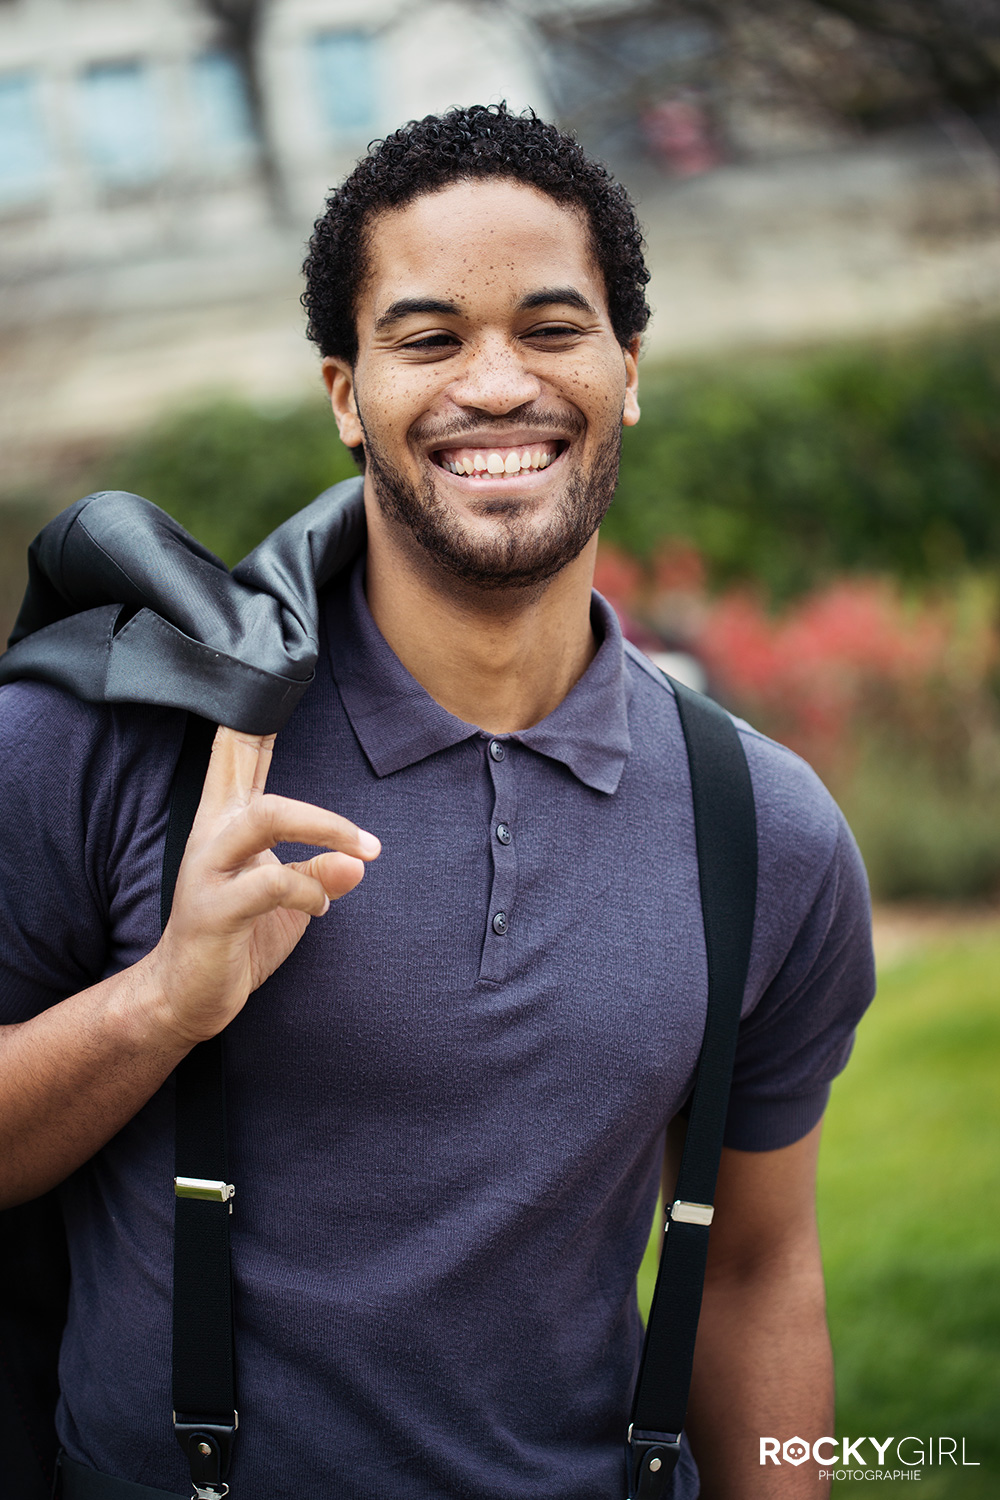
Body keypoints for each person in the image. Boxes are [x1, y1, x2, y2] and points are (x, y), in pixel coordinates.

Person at [0, 104, 874, 1499]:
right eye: (427, 338)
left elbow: (760, 1269)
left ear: (627, 369)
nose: (495, 382)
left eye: (549, 326)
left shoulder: (764, 831)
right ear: (345, 393)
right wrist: (161, 1001)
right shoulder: (110, 744)